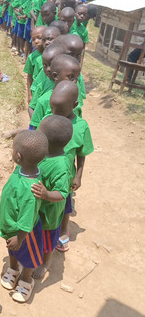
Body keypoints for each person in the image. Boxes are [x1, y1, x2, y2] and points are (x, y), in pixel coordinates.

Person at [0, 130, 48, 303]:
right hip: (12, 225)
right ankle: (13, 269)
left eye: (13, 150)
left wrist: (20, 237)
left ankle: (27, 279)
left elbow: (27, 217)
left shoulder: (30, 189)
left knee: (28, 256)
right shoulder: (23, 170)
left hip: (26, 231)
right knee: (12, 249)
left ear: (18, 156)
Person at [47, 82, 94, 253]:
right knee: (44, 203)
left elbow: (81, 154)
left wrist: (78, 176)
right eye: (52, 108)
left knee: (65, 205)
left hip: (65, 177)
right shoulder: (48, 120)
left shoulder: (81, 127)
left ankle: (63, 229)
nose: (54, 113)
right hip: (46, 173)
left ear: (74, 105)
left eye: (59, 110)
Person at [31, 115, 73, 278]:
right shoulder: (43, 154)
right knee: (35, 233)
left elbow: (63, 193)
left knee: (48, 240)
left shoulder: (61, 165)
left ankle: (45, 262)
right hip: (38, 208)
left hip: (50, 214)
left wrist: (47, 194)